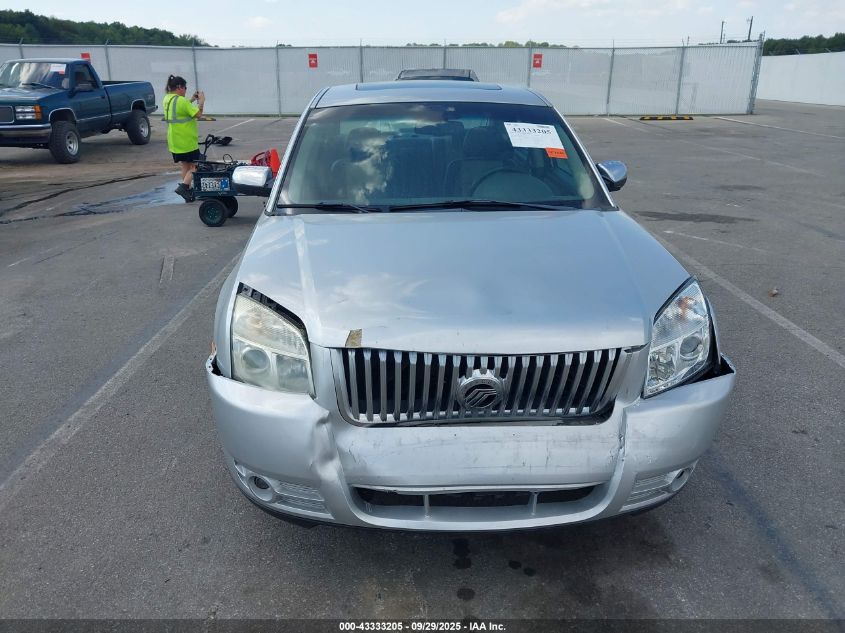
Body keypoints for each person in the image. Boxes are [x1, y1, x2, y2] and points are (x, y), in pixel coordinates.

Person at [162, 75, 205, 202]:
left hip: (175, 141)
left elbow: (180, 109)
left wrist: (191, 100)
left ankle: (188, 192)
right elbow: (198, 114)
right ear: (179, 87)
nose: (186, 90)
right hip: (186, 141)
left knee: (185, 165)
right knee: (196, 165)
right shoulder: (182, 101)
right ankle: (184, 187)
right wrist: (201, 101)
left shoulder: (167, 99)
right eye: (185, 88)